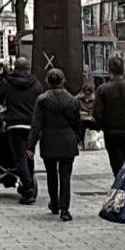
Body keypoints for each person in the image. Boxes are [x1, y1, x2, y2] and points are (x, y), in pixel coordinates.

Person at [29, 68, 82, 221]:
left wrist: (31, 145)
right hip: (67, 139)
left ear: (47, 81)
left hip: (49, 139)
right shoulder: (72, 100)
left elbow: (36, 124)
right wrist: (78, 137)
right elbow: (77, 122)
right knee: (65, 175)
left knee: (51, 174)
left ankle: (54, 202)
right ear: (63, 80)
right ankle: (64, 209)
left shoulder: (42, 100)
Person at [0, 57, 41, 204]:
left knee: (19, 159)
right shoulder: (36, 85)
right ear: (28, 68)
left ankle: (28, 188)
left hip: (14, 125)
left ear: (15, 67)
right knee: (29, 155)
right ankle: (28, 183)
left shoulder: (7, 84)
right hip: (32, 126)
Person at [94, 55, 125, 176]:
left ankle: (119, 186)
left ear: (109, 70)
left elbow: (98, 114)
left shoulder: (103, 90)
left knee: (116, 165)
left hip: (112, 133)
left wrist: (102, 126)